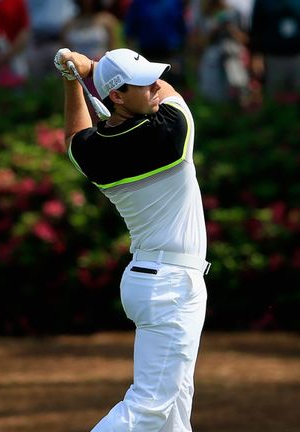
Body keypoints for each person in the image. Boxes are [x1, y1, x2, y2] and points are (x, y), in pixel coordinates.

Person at [54, 46, 210, 432]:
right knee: (150, 406)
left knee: (175, 408)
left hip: (148, 281)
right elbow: (172, 93)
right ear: (117, 97)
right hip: (172, 285)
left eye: (152, 78)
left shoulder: (95, 153)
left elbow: (74, 135)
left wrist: (74, 79)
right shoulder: (169, 134)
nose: (155, 85)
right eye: (143, 83)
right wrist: (90, 68)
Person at [249, 0, 300, 105]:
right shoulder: (263, 2)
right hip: (275, 58)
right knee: (276, 103)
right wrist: (256, 56)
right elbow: (256, 30)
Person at [195, 0, 251, 105]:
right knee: (212, 94)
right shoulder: (206, 14)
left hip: (234, 59)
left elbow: (245, 39)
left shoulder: (235, 13)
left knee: (239, 91)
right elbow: (199, 42)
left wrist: (231, 29)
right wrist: (214, 30)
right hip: (212, 61)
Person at [123, 0, 188, 85]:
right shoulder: (138, 3)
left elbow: (182, 31)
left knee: (171, 90)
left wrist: (180, 57)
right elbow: (129, 33)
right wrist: (134, 61)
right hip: (146, 57)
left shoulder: (175, 3)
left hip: (171, 56)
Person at [26, 0, 78, 80]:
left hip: (58, 41)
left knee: (63, 81)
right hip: (37, 42)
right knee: (36, 83)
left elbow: (73, 12)